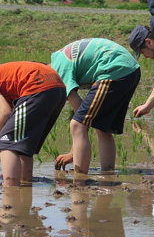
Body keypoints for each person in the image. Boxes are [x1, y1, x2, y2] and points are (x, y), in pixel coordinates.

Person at [51, 38, 141, 174]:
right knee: (102, 127)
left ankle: (80, 179)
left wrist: (73, 153)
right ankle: (108, 173)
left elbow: (80, 115)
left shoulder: (57, 71)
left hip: (113, 69)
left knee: (77, 125)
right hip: (130, 69)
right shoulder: (59, 59)